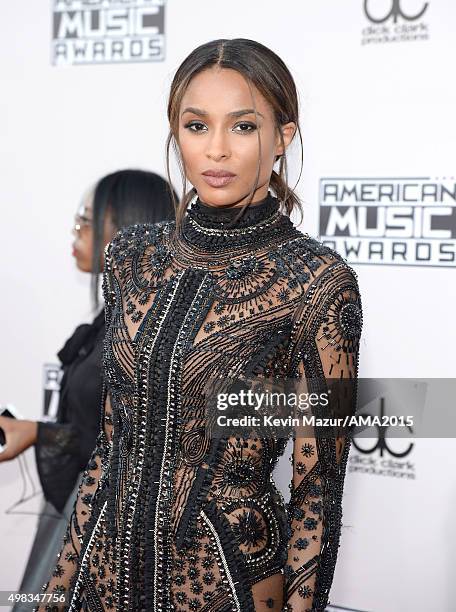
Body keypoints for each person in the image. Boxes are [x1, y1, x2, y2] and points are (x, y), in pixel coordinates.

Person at [36, 39, 363, 612]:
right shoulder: (132, 256)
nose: (216, 150)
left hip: (225, 584)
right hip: (102, 575)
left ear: (283, 137)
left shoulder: (315, 281)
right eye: (195, 125)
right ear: (174, 132)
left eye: (242, 127)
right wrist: (57, 591)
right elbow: (109, 454)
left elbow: (317, 489)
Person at [0, 169, 175, 609]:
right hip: (79, 511)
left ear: (129, 230)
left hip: (106, 530)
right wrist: (35, 430)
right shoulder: (111, 321)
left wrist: (38, 433)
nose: (76, 232)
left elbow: (132, 450)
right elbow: (94, 434)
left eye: (86, 220)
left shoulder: (150, 336)